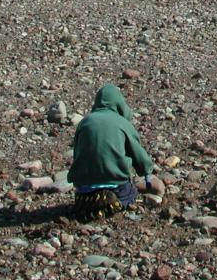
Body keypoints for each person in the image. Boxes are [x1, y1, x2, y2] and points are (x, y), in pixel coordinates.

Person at [67, 84, 164, 219]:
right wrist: (147, 173)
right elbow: (138, 155)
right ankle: (113, 202)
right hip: (115, 184)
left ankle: (89, 202)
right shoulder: (122, 123)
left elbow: (78, 154)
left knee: (88, 192)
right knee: (131, 192)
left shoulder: (85, 123)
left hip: (84, 187)